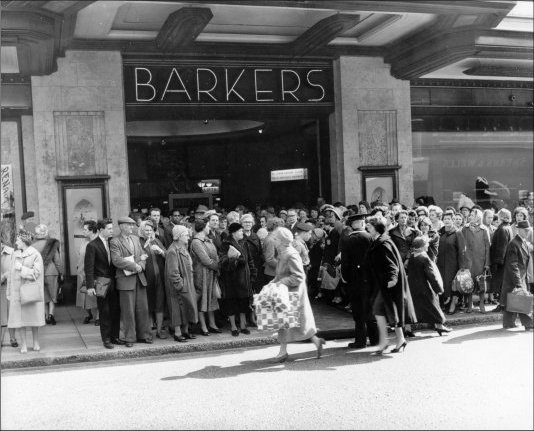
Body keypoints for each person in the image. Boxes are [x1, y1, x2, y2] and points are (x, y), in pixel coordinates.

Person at [270, 227, 325, 363]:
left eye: (275, 239)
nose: (274, 241)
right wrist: (273, 282)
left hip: (293, 293)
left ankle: (283, 352)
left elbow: (298, 276)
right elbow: (281, 273)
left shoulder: (290, 254)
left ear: (282, 241)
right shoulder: (284, 253)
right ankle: (316, 341)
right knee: (293, 322)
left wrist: (280, 282)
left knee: (290, 322)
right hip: (287, 291)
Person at [365, 216, 417, 354]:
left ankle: (385, 342)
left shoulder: (383, 243)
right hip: (384, 283)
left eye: (369, 226)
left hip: (388, 284)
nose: (367, 228)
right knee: (389, 311)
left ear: (377, 228)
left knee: (379, 309)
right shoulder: (380, 241)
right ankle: (398, 340)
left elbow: (392, 265)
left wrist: (393, 279)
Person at [110, 216, 152, 347]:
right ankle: (129, 338)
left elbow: (142, 255)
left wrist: (141, 265)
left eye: (133, 225)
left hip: (139, 279)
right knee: (128, 311)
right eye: (129, 225)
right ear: (122, 226)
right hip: (125, 280)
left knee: (143, 309)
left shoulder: (135, 239)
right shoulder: (115, 241)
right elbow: (116, 260)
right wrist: (135, 266)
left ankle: (144, 335)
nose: (132, 228)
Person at [340, 214, 378, 349]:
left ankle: (360, 340)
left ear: (352, 225)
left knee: (358, 311)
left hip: (355, 280)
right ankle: (375, 339)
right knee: (370, 310)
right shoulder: (370, 238)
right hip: (370, 279)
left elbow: (344, 263)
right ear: (362, 224)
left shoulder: (348, 240)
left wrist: (345, 278)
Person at [6, 230, 45, 353]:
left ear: (23, 241)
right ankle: (23, 344)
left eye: (18, 240)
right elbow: (11, 275)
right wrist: (9, 292)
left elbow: (36, 273)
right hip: (17, 293)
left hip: (30, 292)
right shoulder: (14, 254)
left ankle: (35, 342)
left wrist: (22, 268)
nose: (16, 242)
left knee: (33, 319)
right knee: (20, 320)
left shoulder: (35, 254)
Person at [84, 218, 121, 349]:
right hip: (101, 281)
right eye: (109, 229)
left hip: (115, 280)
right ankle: (106, 339)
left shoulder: (113, 242)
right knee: (104, 311)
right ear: (101, 230)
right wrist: (89, 286)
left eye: (112, 228)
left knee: (116, 310)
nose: (112, 231)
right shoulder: (92, 245)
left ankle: (115, 337)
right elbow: (88, 268)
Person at [408, 236, 452, 335]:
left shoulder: (412, 256)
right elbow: (431, 275)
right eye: (426, 244)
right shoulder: (424, 257)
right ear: (421, 247)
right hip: (424, 287)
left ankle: (407, 328)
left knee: (414, 308)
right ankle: (439, 326)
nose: (428, 245)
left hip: (412, 287)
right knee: (433, 306)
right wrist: (438, 288)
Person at [219, 223, 256, 336]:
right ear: (233, 232)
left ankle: (243, 326)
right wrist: (235, 260)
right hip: (231, 279)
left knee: (244, 302)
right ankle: (234, 327)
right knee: (231, 303)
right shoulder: (226, 244)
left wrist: (253, 273)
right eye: (240, 231)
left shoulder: (244, 243)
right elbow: (222, 261)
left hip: (244, 279)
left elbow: (250, 260)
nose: (242, 233)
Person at [164, 225, 199, 342]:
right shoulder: (172, 251)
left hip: (187, 283)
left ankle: (185, 331)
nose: (188, 237)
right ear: (178, 236)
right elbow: (173, 272)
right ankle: (177, 333)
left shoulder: (183, 248)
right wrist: (180, 284)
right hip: (178, 286)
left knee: (187, 307)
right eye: (186, 235)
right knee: (177, 309)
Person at [500, 220, 533, 330]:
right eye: (525, 230)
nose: (528, 232)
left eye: (529, 230)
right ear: (519, 230)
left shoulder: (522, 242)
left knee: (512, 300)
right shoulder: (514, 243)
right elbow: (512, 265)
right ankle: (529, 324)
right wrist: (518, 283)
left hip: (519, 277)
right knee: (521, 299)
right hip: (515, 277)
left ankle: (508, 323)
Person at [190, 219, 221, 336]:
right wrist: (218, 266)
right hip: (201, 275)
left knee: (211, 298)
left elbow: (215, 256)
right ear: (203, 228)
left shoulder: (208, 240)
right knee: (203, 299)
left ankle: (212, 324)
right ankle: (203, 326)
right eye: (208, 226)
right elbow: (205, 260)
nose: (209, 228)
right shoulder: (196, 242)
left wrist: (216, 265)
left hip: (210, 274)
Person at [139, 220, 167, 338]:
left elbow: (168, 255)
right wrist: (146, 247)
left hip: (159, 278)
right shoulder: (138, 242)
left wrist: (160, 251)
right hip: (146, 279)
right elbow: (137, 257)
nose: (149, 232)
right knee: (147, 305)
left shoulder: (157, 241)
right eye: (146, 230)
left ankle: (159, 330)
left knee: (159, 304)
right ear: (141, 230)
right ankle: (148, 332)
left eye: (151, 230)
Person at [32, 224, 63, 325]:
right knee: (53, 294)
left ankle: (45, 317)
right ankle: (51, 315)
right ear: (46, 232)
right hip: (51, 272)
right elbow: (57, 261)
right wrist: (61, 272)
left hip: (39, 273)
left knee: (44, 295)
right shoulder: (52, 244)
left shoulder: (32, 246)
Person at [437, 211, 466, 313]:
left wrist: (462, 267)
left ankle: (453, 304)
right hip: (440, 263)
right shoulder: (440, 232)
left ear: (453, 220)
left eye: (449, 219)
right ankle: (443, 305)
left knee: (452, 285)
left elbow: (462, 251)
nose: (447, 221)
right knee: (442, 284)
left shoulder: (458, 233)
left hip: (452, 264)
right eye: (445, 219)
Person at [462, 208, 491, 313]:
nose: (470, 217)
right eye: (470, 215)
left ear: (478, 217)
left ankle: (482, 304)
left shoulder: (484, 229)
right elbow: (462, 245)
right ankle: (470, 304)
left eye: (472, 215)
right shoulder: (465, 229)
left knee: (481, 283)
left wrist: (487, 263)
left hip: (480, 260)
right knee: (469, 283)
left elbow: (488, 247)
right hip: (468, 260)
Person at [75, 220, 99, 325]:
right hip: (81, 271)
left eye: (85, 229)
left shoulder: (98, 242)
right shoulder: (84, 242)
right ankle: (88, 314)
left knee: (96, 294)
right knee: (82, 294)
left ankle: (98, 316)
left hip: (93, 272)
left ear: (92, 230)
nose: (83, 231)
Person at [490, 209, 514, 311]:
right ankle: (502, 304)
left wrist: (497, 262)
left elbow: (501, 247)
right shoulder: (508, 227)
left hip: (501, 262)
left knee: (501, 284)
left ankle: (502, 305)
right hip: (506, 260)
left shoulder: (502, 229)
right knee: (503, 284)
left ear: (501, 217)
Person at [1, 242, 18, 348]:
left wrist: (4, 276)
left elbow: (14, 268)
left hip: (8, 286)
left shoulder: (11, 252)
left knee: (11, 314)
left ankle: (12, 338)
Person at [262, 217, 285, 285]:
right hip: (272, 274)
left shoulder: (274, 238)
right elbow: (270, 259)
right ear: (275, 227)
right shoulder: (270, 240)